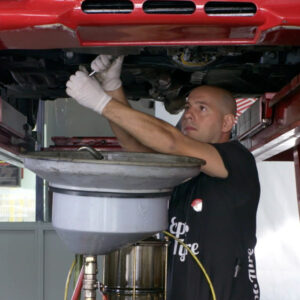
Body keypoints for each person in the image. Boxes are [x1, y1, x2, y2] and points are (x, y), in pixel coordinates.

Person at [66, 55, 260, 300]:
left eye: (202, 108)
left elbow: (171, 141)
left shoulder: (237, 159)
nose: (189, 114)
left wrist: (100, 102)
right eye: (188, 107)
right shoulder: (187, 170)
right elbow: (138, 149)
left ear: (227, 122)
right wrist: (112, 87)